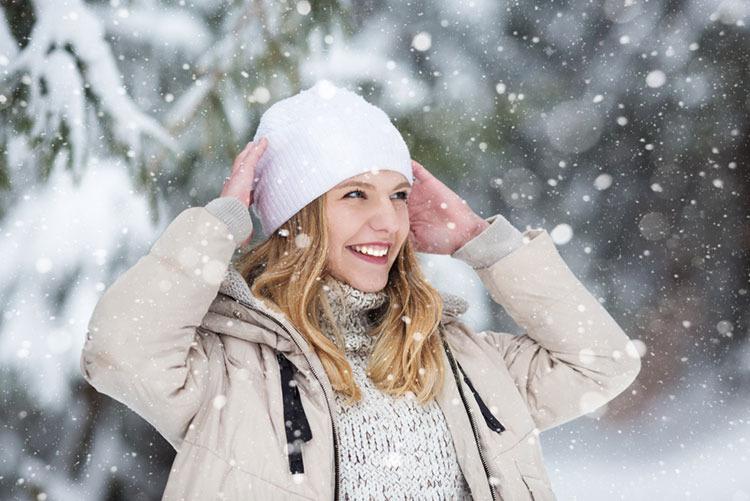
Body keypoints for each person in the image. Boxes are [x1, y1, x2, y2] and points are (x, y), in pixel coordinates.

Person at [81, 81, 641, 501]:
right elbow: (120, 354)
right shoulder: (230, 369)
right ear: (296, 217)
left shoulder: (457, 357)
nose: (387, 222)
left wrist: (481, 241)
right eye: (355, 195)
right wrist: (219, 223)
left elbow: (602, 363)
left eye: (398, 196)